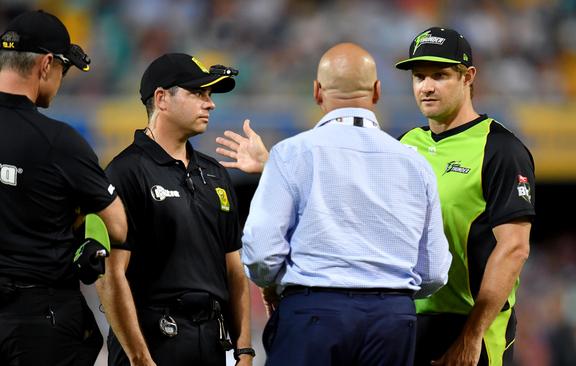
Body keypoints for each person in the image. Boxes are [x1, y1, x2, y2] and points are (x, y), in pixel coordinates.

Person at [240, 43, 452, 366]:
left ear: (317, 92)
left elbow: (261, 254)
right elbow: (434, 271)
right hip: (392, 320)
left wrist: (276, 285)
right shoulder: (415, 163)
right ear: (377, 92)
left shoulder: (290, 154)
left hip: (312, 313)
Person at [96, 53, 254, 366]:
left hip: (209, 342)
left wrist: (245, 350)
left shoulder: (215, 174)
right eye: (198, 93)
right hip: (152, 342)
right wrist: (140, 358)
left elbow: (234, 270)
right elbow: (110, 276)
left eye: (209, 95)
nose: (210, 104)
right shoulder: (126, 172)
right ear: (162, 99)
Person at [394, 27, 535, 366]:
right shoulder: (405, 145)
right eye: (419, 77)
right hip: (408, 321)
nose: (426, 87)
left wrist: (471, 336)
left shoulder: (500, 149)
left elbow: (514, 248)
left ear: (468, 76)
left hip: (474, 326)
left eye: (440, 75)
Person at [0, 9, 127, 366]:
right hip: (39, 320)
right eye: (63, 70)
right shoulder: (60, 142)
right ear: (45, 65)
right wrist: (82, 228)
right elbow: (117, 226)